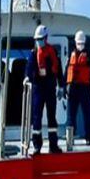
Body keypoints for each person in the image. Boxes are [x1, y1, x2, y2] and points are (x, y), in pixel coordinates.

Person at [25, 24, 65, 153]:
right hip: (38, 90)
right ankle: (37, 146)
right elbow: (29, 68)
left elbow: (59, 70)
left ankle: (53, 145)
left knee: (51, 117)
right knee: (37, 117)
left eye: (41, 39)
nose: (39, 41)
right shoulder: (34, 54)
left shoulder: (53, 53)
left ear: (46, 38)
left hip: (50, 89)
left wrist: (61, 86)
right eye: (37, 39)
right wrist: (27, 77)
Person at [66, 30, 90, 146]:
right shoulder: (72, 56)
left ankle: (88, 138)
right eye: (79, 43)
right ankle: (71, 138)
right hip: (75, 89)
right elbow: (67, 72)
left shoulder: (89, 57)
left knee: (86, 115)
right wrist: (64, 86)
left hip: (83, 88)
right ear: (76, 43)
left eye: (81, 43)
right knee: (71, 115)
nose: (80, 45)